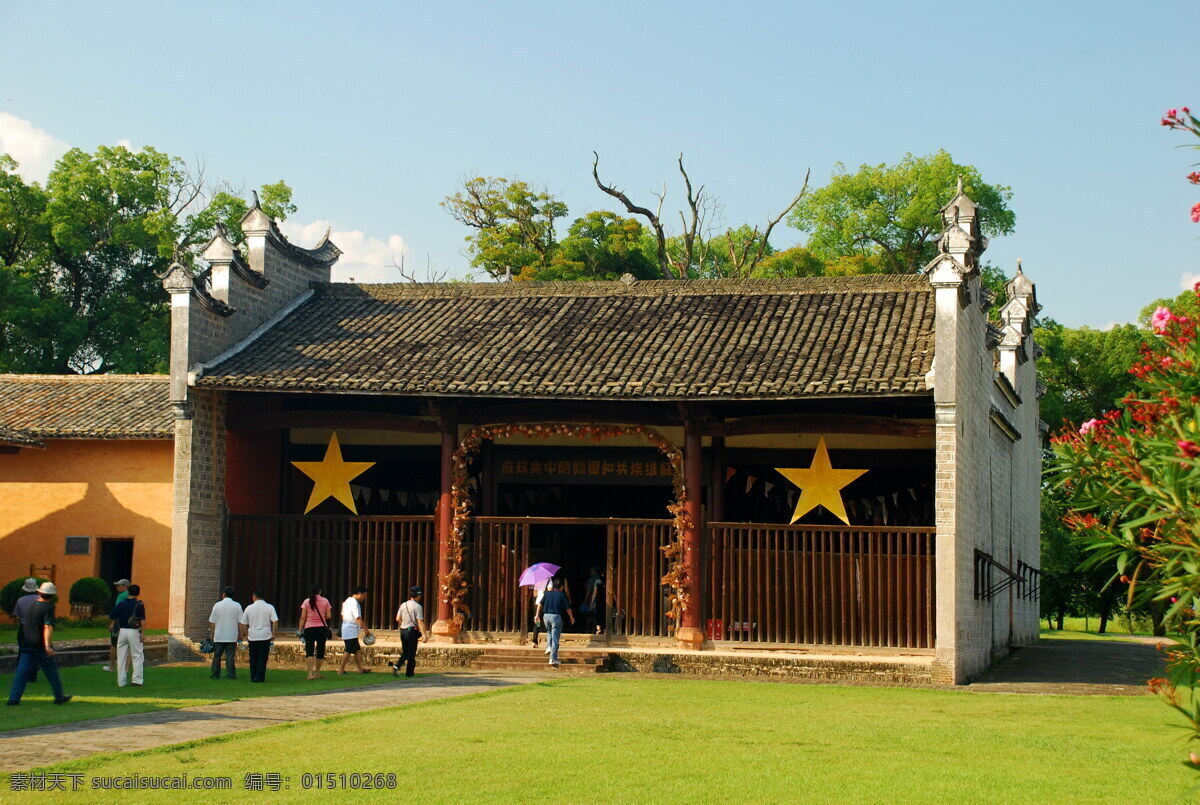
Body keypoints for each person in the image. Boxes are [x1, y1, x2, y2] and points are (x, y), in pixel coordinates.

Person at [7, 582, 71, 706]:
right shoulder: (48, 608)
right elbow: (47, 627)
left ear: (39, 592)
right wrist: (47, 646)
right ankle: (59, 696)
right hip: (40, 645)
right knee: (52, 671)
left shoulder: (30, 606)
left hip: (27, 643)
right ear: (52, 595)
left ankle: (13, 698)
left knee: (21, 672)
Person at [109, 584, 146, 688]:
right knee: (137, 655)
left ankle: (121, 681)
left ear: (128, 592)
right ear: (138, 593)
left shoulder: (121, 603)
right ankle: (137, 680)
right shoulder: (139, 604)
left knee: (121, 657)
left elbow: (112, 616)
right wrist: (143, 633)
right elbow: (142, 620)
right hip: (134, 631)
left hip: (122, 631)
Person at [239, 589, 278, 683]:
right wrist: (273, 633)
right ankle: (260, 676)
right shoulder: (269, 607)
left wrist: (246, 634)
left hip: (253, 635)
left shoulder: (249, 608)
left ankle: (253, 676)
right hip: (265, 635)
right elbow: (275, 621)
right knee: (262, 657)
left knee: (253, 657)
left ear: (254, 597)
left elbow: (243, 623)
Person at [534, 578, 574, 667]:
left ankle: (548, 646)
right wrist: (571, 617)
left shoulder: (547, 594)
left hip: (546, 616)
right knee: (555, 637)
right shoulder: (561, 595)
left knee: (549, 632)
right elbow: (568, 608)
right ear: (561, 587)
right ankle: (553, 658)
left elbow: (540, 604)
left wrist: (537, 615)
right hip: (556, 616)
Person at [390, 586, 426, 678]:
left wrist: (402, 626)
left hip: (403, 630)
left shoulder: (403, 605)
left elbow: (397, 618)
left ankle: (397, 666)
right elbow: (420, 621)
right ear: (418, 596)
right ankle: (409, 673)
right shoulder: (418, 607)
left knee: (406, 652)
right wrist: (424, 635)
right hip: (411, 631)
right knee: (411, 653)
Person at [207, 586, 243, 679]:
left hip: (219, 635)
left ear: (223, 594)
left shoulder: (217, 605)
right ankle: (231, 674)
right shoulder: (237, 605)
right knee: (230, 656)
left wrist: (211, 633)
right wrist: (240, 634)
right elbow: (240, 622)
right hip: (231, 635)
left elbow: (212, 621)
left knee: (217, 656)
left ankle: (215, 674)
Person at [299, 585, 334, 680]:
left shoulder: (306, 601)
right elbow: (329, 616)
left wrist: (300, 629)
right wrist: (321, 618)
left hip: (309, 628)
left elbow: (303, 617)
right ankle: (317, 672)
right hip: (321, 628)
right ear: (320, 591)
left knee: (309, 651)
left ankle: (310, 674)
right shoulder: (325, 601)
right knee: (320, 650)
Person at [338, 586, 373, 675]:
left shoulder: (346, 601)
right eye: (364, 596)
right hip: (351, 630)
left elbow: (343, 615)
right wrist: (366, 631)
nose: (364, 598)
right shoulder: (354, 603)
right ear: (359, 594)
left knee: (357, 649)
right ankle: (341, 669)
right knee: (349, 650)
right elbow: (357, 618)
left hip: (347, 627)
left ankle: (360, 668)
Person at [12, 579, 40, 683]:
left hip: (23, 628)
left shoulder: (20, 600)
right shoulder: (40, 599)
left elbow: (17, 616)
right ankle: (32, 676)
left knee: (22, 651)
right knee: (34, 652)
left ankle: (21, 674)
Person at [103, 578, 130, 673]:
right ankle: (127, 668)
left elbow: (117, 611)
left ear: (124, 586)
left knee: (114, 645)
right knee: (128, 645)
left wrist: (112, 623)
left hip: (119, 623)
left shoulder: (121, 596)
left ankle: (111, 666)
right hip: (129, 624)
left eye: (119, 585)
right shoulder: (131, 596)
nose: (118, 587)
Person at [584, 566, 605, 635]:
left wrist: (589, 601)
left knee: (593, 615)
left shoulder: (595, 580)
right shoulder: (606, 580)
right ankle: (603, 629)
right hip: (605, 600)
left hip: (597, 600)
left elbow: (593, 592)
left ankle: (593, 629)